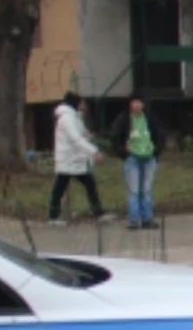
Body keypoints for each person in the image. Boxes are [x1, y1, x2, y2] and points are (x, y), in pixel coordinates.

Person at [49, 92, 108, 226]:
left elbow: (82, 134)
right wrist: (94, 152)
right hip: (69, 159)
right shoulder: (67, 119)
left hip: (76, 160)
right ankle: (53, 216)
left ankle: (98, 212)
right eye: (81, 102)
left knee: (87, 184)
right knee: (61, 187)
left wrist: (88, 136)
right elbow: (76, 139)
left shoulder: (74, 117)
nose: (84, 105)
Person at [110, 94, 166, 230]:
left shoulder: (150, 119)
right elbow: (115, 136)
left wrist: (156, 151)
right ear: (130, 104)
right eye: (134, 102)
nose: (136, 105)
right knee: (134, 190)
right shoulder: (124, 119)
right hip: (132, 158)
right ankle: (134, 220)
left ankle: (147, 218)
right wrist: (122, 152)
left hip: (149, 158)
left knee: (146, 190)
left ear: (143, 105)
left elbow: (160, 134)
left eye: (139, 102)